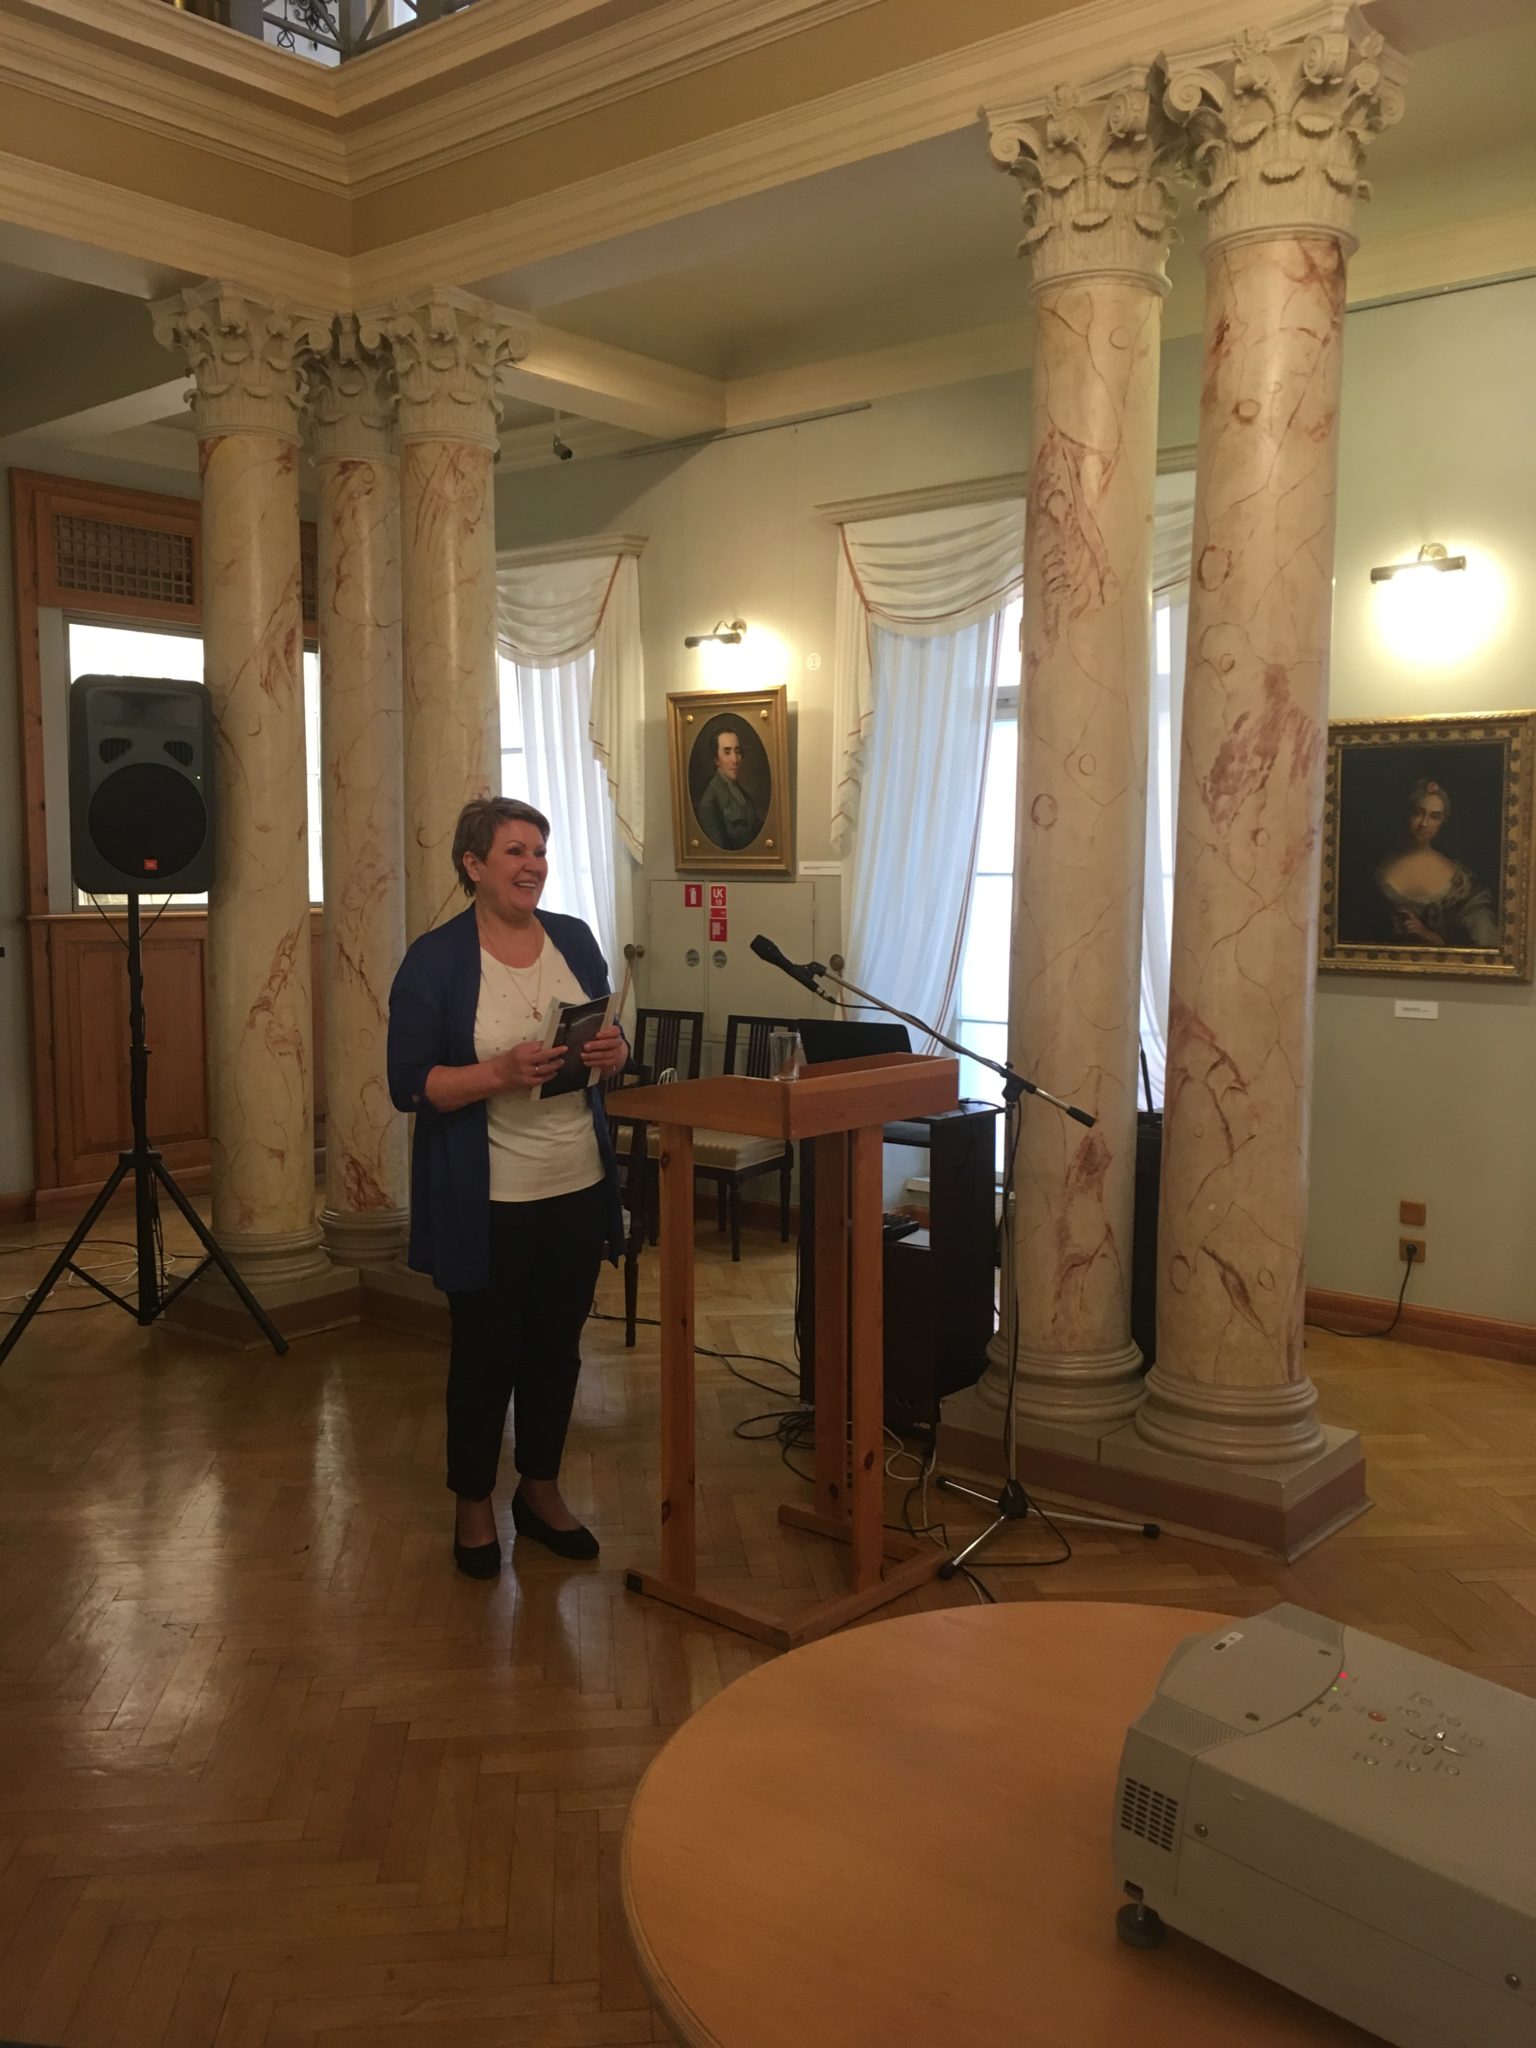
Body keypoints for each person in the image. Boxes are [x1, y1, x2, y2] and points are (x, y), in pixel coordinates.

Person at [387, 797, 629, 1578]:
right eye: (516, 852)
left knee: (557, 1351)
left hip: (576, 1183)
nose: (533, 866)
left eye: (540, 852)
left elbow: (605, 1036)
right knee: (486, 1356)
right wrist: (496, 1072)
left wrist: (614, 1053)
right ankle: (472, 1504)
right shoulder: (435, 960)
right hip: (487, 1200)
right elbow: (408, 1084)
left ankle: (540, 1490)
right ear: (473, 865)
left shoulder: (574, 939)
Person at [1373, 777, 1499, 949]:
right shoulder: (1376, 867)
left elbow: (1486, 949)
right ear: (1406, 814)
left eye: (1434, 817)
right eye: (1418, 813)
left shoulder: (1461, 881)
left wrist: (1429, 936)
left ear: (1442, 822)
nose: (1424, 824)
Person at [696, 727, 763, 851]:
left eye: (737, 752)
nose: (735, 760)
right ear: (716, 760)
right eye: (727, 753)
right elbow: (720, 852)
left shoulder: (742, 795)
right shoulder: (710, 802)